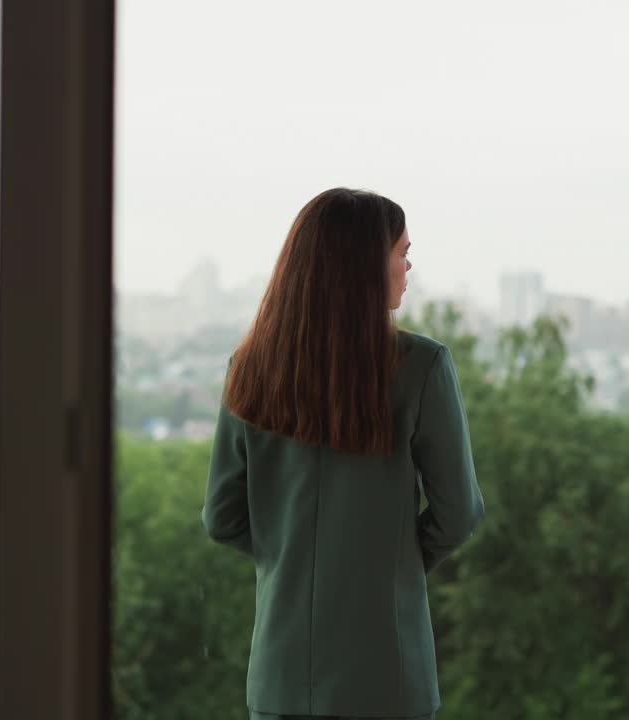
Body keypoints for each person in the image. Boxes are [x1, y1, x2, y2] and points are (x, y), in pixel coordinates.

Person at [202, 188, 486, 720]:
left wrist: (295, 562)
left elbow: (222, 519)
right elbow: (459, 514)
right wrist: (390, 564)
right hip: (387, 677)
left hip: (280, 680)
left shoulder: (249, 366)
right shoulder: (422, 367)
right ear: (365, 267)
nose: (408, 265)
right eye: (401, 251)